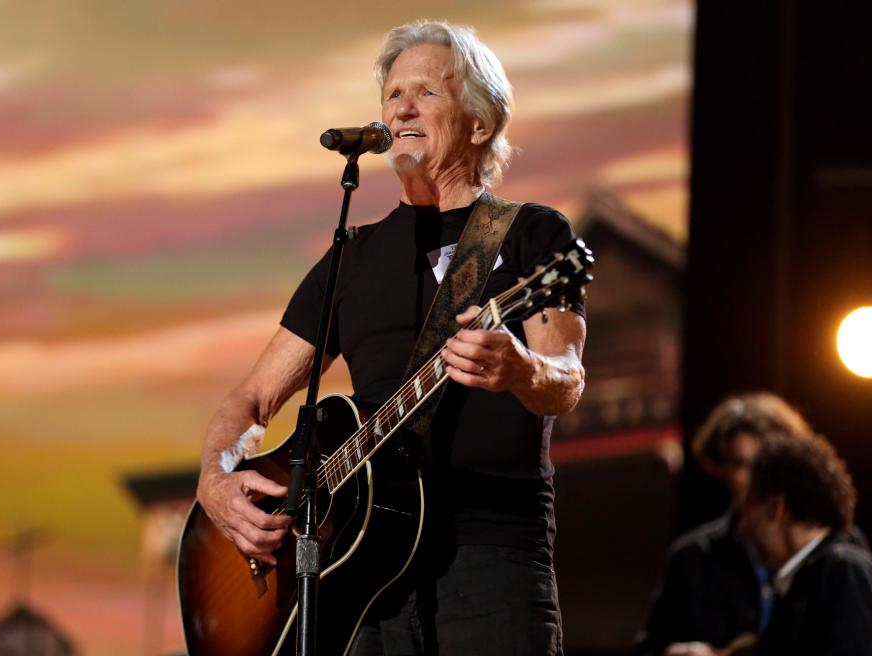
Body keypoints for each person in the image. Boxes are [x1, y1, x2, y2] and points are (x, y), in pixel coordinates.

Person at [195, 19, 586, 656]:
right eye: (392, 94)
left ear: (480, 123)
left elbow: (565, 376)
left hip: (490, 560)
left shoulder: (533, 237)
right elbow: (252, 401)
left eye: (427, 93)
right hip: (361, 578)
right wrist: (215, 479)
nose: (401, 106)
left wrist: (520, 369)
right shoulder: (353, 256)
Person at [635, 393, 813, 656]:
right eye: (742, 464)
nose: (755, 478)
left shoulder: (827, 553)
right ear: (722, 469)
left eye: (765, 463)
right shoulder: (690, 557)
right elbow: (648, 647)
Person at [740, 434, 872, 656]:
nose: (743, 527)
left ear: (775, 507)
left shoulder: (845, 572)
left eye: (748, 506)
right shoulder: (811, 577)